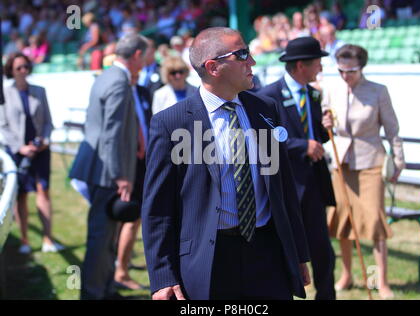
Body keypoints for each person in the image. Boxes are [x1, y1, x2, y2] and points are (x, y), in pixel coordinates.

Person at [141, 27, 311, 300]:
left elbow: (284, 188)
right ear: (213, 67)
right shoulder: (172, 123)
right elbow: (158, 209)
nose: (252, 62)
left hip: (268, 253)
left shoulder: (265, 110)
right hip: (209, 261)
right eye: (242, 54)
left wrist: (298, 253)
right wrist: (163, 276)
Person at [322, 44, 405, 299]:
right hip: (341, 162)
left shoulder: (378, 91)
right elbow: (324, 121)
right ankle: (347, 274)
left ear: (362, 67)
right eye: (341, 71)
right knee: (343, 219)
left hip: (371, 162)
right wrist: (324, 122)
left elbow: (392, 130)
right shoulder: (332, 90)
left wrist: (398, 159)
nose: (345, 75)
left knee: (374, 220)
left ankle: (382, 281)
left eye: (351, 71)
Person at [69, 33, 149, 300]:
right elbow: (112, 133)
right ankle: (94, 293)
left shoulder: (109, 76)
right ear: (137, 55)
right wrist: (120, 175)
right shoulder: (117, 82)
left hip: (103, 168)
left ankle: (104, 289)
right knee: (101, 238)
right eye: (147, 54)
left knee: (105, 238)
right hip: (106, 172)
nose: (150, 59)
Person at [258, 37, 336, 300]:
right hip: (285, 182)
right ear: (301, 65)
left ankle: (326, 295)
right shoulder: (268, 96)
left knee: (322, 248)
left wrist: (326, 129)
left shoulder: (313, 94)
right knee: (287, 246)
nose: (320, 69)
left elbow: (318, 136)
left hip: (313, 181)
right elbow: (266, 137)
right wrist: (300, 145)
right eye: (317, 63)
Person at [0, 53, 62, 254]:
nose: (23, 71)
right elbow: (4, 125)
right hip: (18, 152)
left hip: (41, 150)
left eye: (26, 66)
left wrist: (43, 141)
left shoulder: (39, 91)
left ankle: (48, 239)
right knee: (21, 196)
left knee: (43, 191)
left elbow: (48, 122)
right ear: (11, 70)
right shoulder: (4, 92)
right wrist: (20, 147)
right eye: (19, 68)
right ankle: (25, 240)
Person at [114, 72, 152, 291]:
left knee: (132, 219)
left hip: (146, 162)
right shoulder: (120, 93)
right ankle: (121, 272)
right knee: (131, 217)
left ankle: (122, 263)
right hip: (128, 166)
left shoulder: (143, 91)